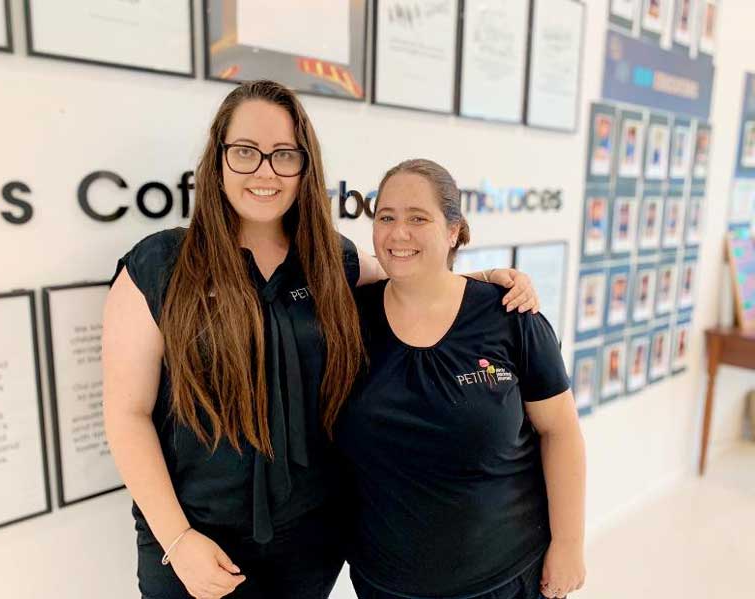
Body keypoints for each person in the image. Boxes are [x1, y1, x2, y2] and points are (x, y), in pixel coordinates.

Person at [102, 81, 540, 599]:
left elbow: (407, 274)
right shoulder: (159, 266)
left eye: (283, 155)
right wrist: (176, 539)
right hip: (193, 541)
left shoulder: (331, 261)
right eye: (245, 152)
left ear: (304, 167)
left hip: (310, 545)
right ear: (217, 161)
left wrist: (484, 280)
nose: (265, 171)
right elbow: (126, 414)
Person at [336, 159, 586, 599]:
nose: (398, 233)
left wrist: (569, 544)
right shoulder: (348, 321)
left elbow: (560, 430)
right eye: (386, 217)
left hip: (505, 578)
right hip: (386, 583)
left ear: (453, 230)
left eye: (418, 218)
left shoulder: (510, 317)